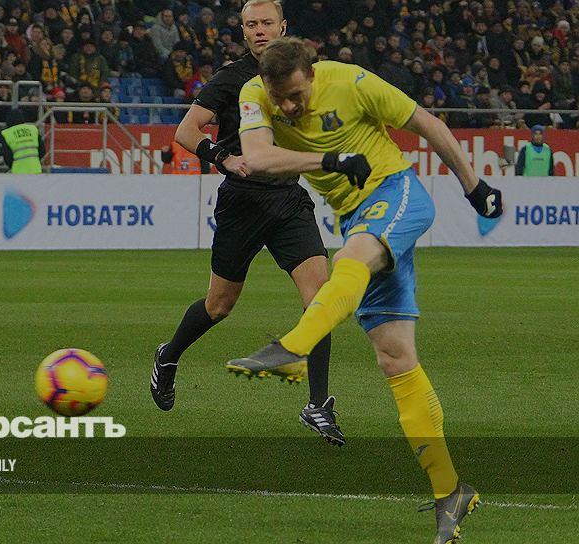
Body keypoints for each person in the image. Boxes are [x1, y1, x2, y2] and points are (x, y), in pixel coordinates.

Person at [229, 37, 504, 543]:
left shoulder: (353, 82)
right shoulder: (255, 93)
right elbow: (259, 158)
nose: (288, 107)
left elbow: (429, 125)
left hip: (397, 192)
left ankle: (294, 348)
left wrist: (474, 187)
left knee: (349, 259)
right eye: (279, 98)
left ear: (312, 75)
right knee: (395, 358)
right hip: (357, 215)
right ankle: (451, 490)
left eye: (295, 95)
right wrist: (331, 160)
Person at [148, 0, 342, 447]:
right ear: (243, 31)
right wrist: (222, 157)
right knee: (219, 305)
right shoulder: (231, 78)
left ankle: (318, 403)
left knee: (321, 298)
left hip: (288, 200)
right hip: (242, 203)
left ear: (283, 27)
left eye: (266, 22)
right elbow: (186, 131)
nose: (259, 30)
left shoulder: (305, 75)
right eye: (251, 24)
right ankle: (169, 355)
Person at [0, 108, 45, 174]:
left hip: (18, 171)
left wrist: (12, 166)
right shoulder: (33, 129)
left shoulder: (6, 133)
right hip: (36, 170)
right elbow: (42, 150)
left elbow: (7, 156)